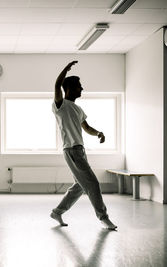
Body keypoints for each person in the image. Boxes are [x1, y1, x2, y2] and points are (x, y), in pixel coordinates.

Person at [50, 61, 117, 230]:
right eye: (79, 86)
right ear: (70, 88)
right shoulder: (60, 105)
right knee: (93, 183)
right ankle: (103, 217)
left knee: (80, 185)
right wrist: (66, 69)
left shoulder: (78, 109)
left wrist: (98, 133)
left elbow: (86, 127)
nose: (82, 89)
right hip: (72, 150)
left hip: (79, 150)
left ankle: (57, 212)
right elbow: (57, 84)